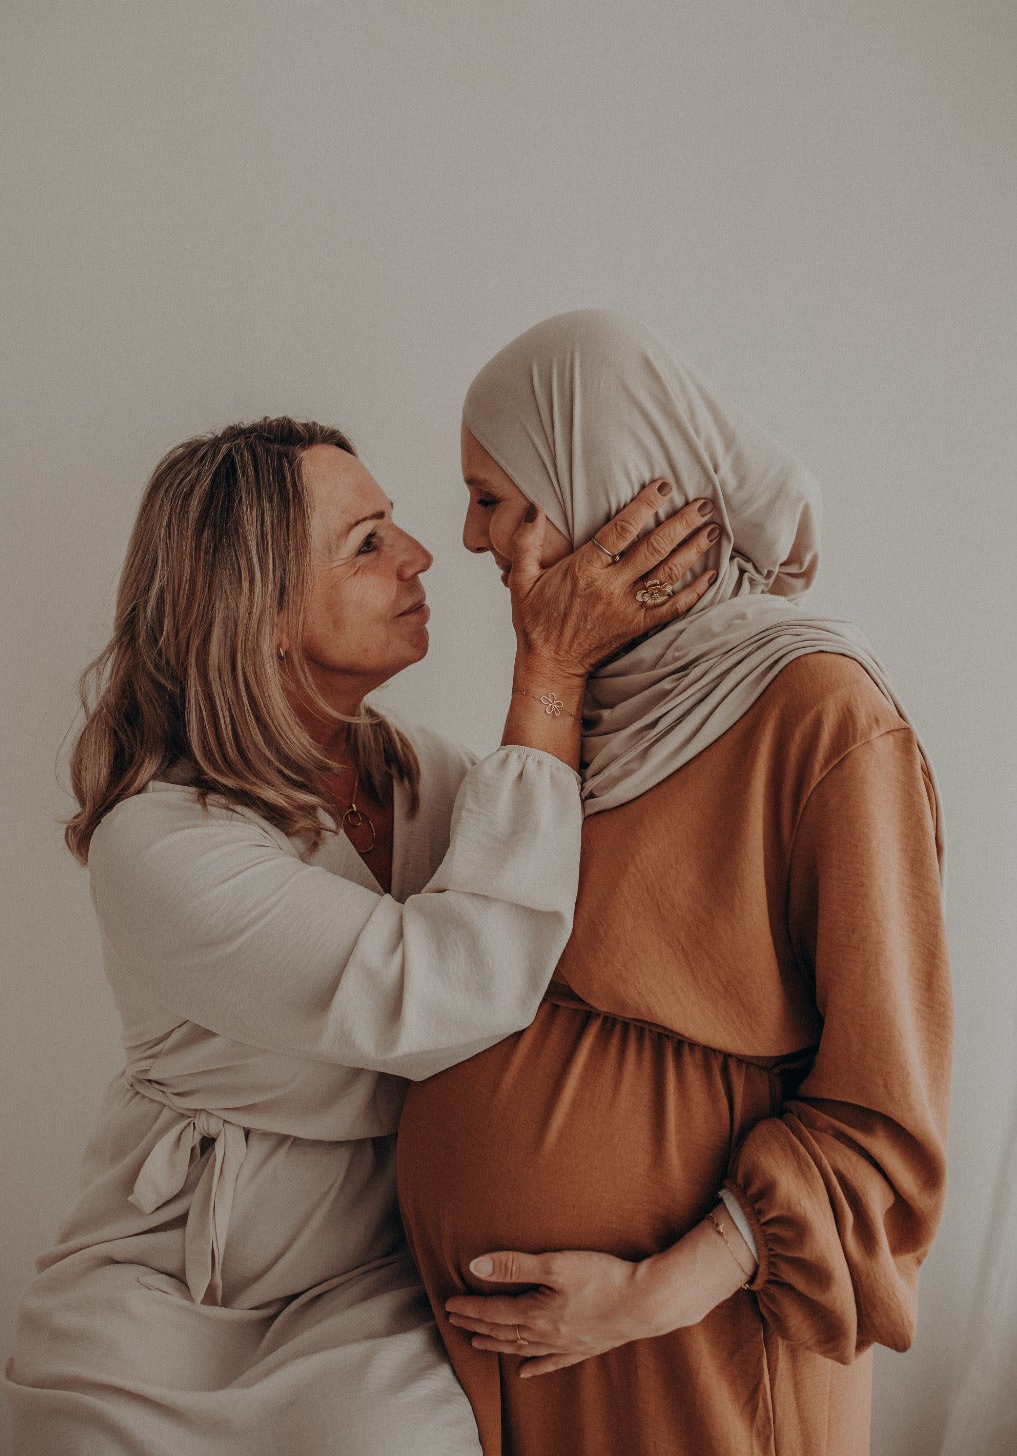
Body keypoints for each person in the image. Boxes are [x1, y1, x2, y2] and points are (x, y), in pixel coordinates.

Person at [3, 414, 716, 1455]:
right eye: (367, 541)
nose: (421, 554)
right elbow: (449, 986)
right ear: (266, 619)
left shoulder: (426, 777)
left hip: (375, 1287)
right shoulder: (156, 845)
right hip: (170, 1302)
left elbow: (576, 884)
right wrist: (547, 670)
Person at [396, 311, 952, 1456]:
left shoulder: (824, 717)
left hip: (697, 1348)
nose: (463, 536)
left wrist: (647, 1294)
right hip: (550, 1359)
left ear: (597, 483)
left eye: (493, 496)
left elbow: (889, 1114)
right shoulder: (589, 716)